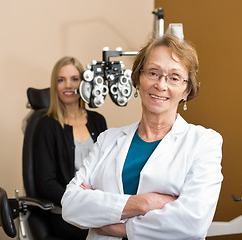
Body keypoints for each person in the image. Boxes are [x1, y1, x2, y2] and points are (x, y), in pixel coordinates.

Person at [61, 34, 223, 240]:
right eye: (153, 73)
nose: (161, 85)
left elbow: (192, 223)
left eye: (174, 77)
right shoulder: (107, 140)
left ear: (187, 90)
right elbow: (71, 205)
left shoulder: (204, 142)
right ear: (137, 80)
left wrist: (121, 228)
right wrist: (144, 203)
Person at [34, 56, 107, 239]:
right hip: (67, 212)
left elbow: (107, 168)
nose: (68, 85)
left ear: (84, 83)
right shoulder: (47, 126)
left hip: (98, 207)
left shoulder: (98, 121)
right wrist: (79, 202)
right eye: (61, 80)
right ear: (55, 86)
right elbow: (46, 183)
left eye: (74, 79)